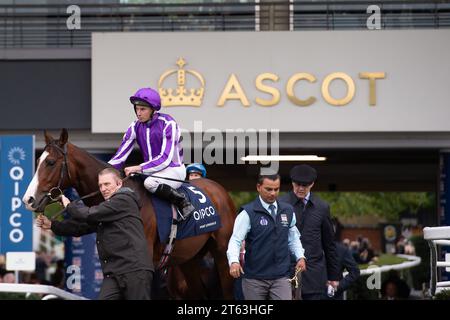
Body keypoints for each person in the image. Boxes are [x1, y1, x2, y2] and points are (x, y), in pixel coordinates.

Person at [36, 168, 153, 300]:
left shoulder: (124, 200)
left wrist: (69, 205)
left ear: (119, 184)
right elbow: (80, 227)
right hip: (113, 273)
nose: (103, 189)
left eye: (107, 184)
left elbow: (88, 214)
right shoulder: (109, 209)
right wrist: (52, 225)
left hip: (134, 270)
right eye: (100, 185)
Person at [108, 87, 194, 221]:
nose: (138, 113)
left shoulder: (168, 123)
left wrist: (139, 167)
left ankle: (183, 202)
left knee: (149, 183)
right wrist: (106, 171)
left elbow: (165, 159)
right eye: (136, 109)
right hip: (151, 171)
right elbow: (121, 155)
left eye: (143, 109)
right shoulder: (134, 126)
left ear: (153, 110)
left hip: (173, 169)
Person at [227, 173, 306, 300]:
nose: (273, 193)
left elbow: (293, 238)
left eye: (276, 189)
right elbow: (236, 240)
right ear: (259, 187)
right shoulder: (248, 212)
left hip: (281, 277)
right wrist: (234, 261)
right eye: (269, 189)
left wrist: (300, 256)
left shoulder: (288, 210)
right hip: (254, 279)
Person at [280, 164, 340, 300]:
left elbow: (329, 244)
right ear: (292, 182)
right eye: (298, 184)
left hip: (314, 274)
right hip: (285, 272)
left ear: (312, 184)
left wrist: (333, 276)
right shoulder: (280, 204)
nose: (301, 188)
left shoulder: (322, 207)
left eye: (305, 185)